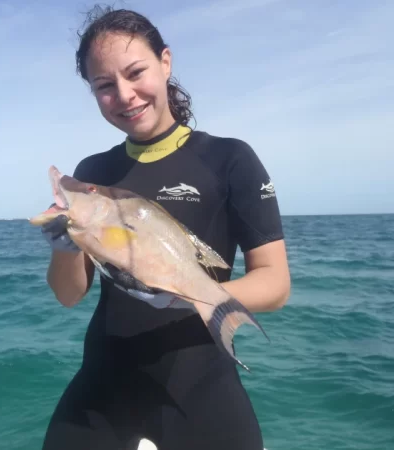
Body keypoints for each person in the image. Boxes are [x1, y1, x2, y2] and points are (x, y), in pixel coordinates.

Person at [40, 5, 291, 450]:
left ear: (166, 62)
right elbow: (68, 294)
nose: (126, 94)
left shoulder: (229, 159)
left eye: (136, 72)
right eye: (105, 86)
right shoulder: (94, 172)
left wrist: (188, 297)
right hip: (102, 387)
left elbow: (275, 283)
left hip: (201, 391)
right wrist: (65, 245)